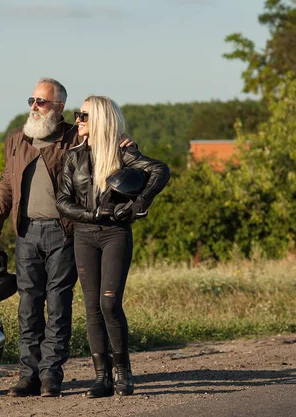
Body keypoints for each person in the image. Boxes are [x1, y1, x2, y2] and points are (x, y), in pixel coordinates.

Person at [0, 79, 134, 397]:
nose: (34, 107)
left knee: (58, 305)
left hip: (64, 232)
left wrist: (125, 147)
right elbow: (6, 183)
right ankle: (28, 375)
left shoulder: (72, 136)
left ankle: (51, 375)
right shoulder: (17, 139)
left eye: (41, 102)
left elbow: (103, 146)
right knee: (27, 305)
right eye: (32, 100)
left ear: (59, 107)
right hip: (26, 232)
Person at [56, 95, 170, 398]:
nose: (77, 121)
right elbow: (62, 202)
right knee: (92, 307)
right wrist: (93, 214)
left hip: (115, 235)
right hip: (84, 235)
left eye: (83, 116)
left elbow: (160, 171)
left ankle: (124, 374)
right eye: (78, 115)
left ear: (100, 120)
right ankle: (102, 377)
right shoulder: (73, 157)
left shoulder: (124, 153)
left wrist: (137, 205)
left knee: (109, 303)